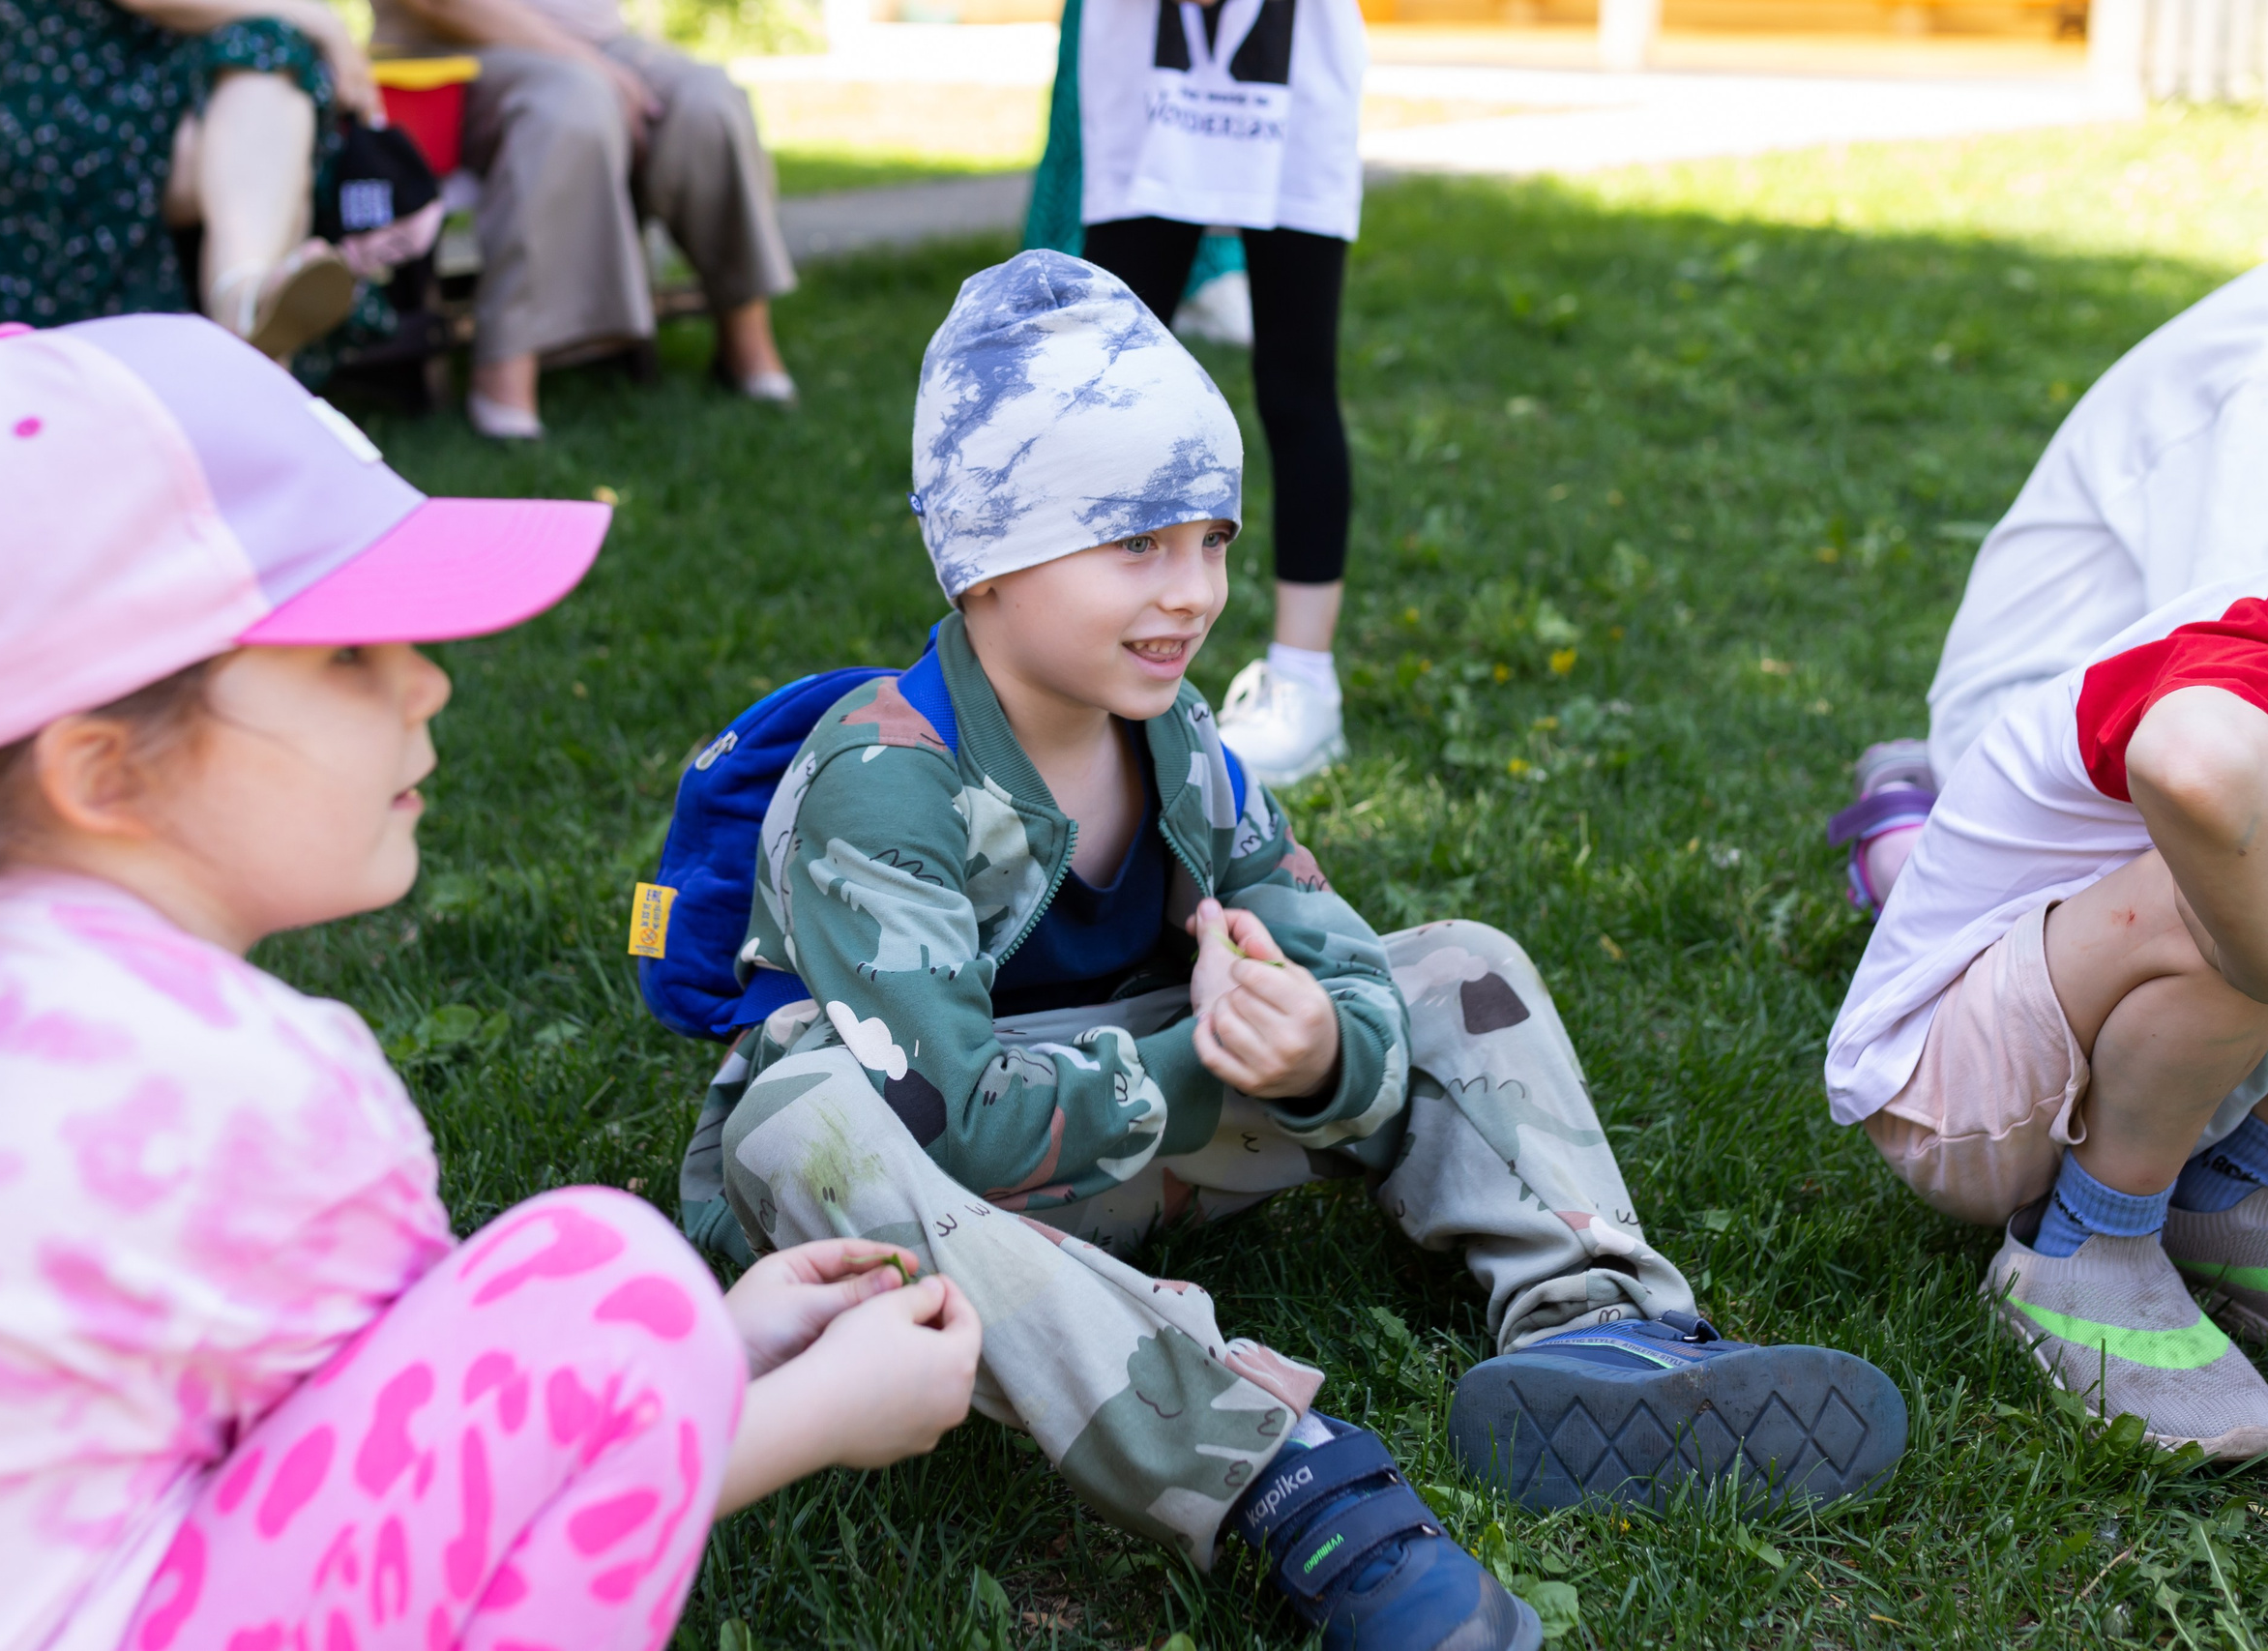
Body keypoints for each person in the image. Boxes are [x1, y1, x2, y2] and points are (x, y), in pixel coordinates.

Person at [676, 251, 1907, 1651]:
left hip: (1121, 1142)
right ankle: (1288, 1486)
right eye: (1136, 544)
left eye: (1212, 538)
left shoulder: (1175, 732)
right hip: (911, 1192)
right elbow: (957, 1124)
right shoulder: (881, 782)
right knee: (804, 1114)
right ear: (986, 558)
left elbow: (1338, 947)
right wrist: (1212, 1061)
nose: (1194, 591)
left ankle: (1597, 1327)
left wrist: (1321, 1049)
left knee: (1455, 962)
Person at [0, 314, 980, 1650]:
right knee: (604, 1281)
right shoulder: (256, 1085)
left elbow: (322, 1450)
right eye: (348, 653)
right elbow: (462, 1523)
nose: (427, 682)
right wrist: (821, 1409)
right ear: (102, 771)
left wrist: (727, 1342)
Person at [1828, 567, 2268, 1460]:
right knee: (2230, 892)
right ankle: (2089, 1249)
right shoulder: (2243, 645)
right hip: (1954, 1089)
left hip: (2086, 1040)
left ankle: (2223, 1194)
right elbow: (2184, 765)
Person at [1833, 265, 2268, 915]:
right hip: (2049, 736)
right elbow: (2224, 695)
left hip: (2154, 716)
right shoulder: (2257, 387)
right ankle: (1917, 849)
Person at [1023, 0, 1363, 785]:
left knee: (1297, 384)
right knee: (1105, 387)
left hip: (1292, 84)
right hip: (1147, 88)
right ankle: (1076, 665)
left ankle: (1306, 685)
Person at [373, 0, 799, 438]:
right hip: (449, 51)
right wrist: (588, 62)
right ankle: (506, 367)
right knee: (572, 104)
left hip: (605, 43)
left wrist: (596, 59)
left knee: (710, 99)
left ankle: (747, 344)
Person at [0, 0, 376, 357]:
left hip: (157, 101)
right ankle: (247, 326)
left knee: (270, 91)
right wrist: (321, 22)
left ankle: (247, 299)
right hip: (57, 121)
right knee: (269, 51)